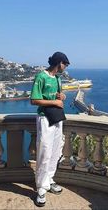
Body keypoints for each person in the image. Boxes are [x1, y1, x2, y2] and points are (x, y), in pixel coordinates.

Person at [30, 52, 70, 207]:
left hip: (57, 118)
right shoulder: (41, 77)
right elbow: (34, 100)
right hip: (45, 118)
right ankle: (41, 188)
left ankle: (49, 179)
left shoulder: (58, 79)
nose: (65, 67)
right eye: (65, 64)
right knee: (44, 151)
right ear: (59, 63)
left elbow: (58, 96)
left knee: (55, 150)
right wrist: (54, 102)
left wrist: (61, 96)